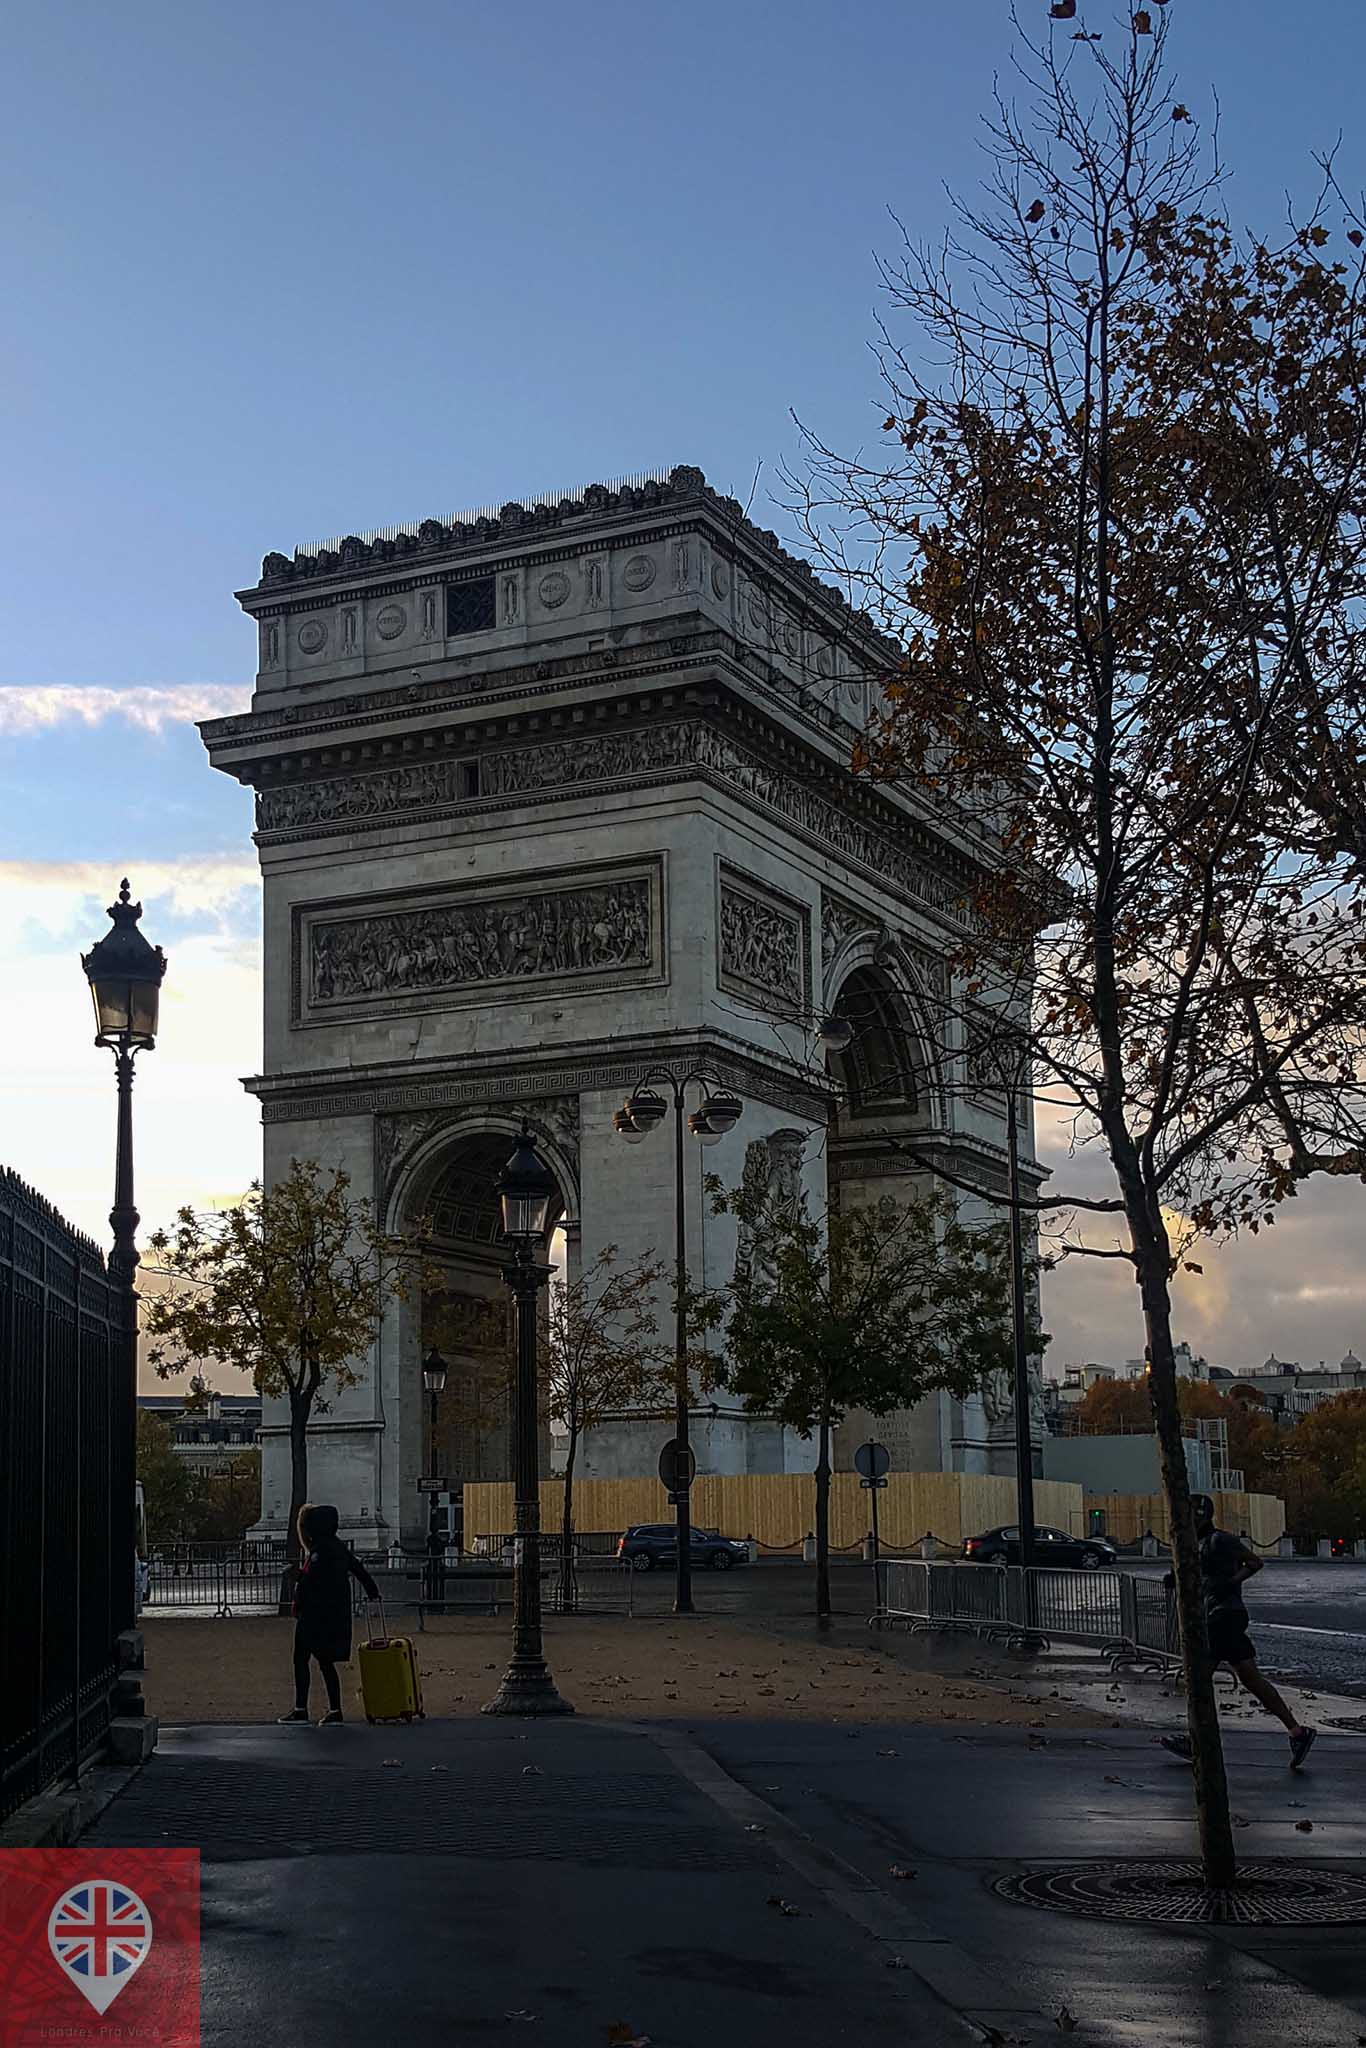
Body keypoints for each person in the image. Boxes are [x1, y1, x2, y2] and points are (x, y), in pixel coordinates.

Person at [1161, 1494, 1316, 1769]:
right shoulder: (1195, 1544)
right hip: (1219, 1615)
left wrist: (1229, 1583)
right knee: (1251, 1680)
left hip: (1224, 1616)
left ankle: (1197, 1740)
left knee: (1199, 1676)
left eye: (1190, 1516)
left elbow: (1254, 1562)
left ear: (1202, 1516)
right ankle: (1297, 1731)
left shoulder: (1220, 1540)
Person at [277, 1503, 379, 1727]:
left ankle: (301, 1708)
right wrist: (373, 1591)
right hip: (333, 1614)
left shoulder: (318, 1551)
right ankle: (334, 1708)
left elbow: (309, 1583)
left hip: (314, 1615)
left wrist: (295, 1577)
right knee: (325, 1662)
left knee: (301, 1660)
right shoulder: (338, 1547)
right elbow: (358, 1569)